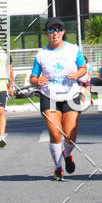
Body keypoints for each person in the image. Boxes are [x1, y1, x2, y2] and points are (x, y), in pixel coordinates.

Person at [30, 17, 87, 180]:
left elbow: (83, 68)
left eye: (57, 30)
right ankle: (57, 167)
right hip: (49, 95)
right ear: (46, 33)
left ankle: (67, 153)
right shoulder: (41, 55)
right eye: (50, 30)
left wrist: (77, 73)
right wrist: (36, 81)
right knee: (55, 134)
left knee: (70, 135)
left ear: (63, 32)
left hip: (71, 94)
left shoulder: (73, 50)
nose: (54, 33)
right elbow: (33, 78)